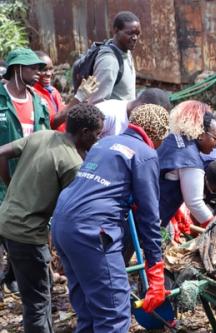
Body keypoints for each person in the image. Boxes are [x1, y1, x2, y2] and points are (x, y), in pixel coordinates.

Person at [51, 104, 169, 332]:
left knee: (88, 312)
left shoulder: (103, 143)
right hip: (92, 231)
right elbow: (150, 218)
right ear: (158, 135)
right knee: (114, 316)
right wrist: (156, 272)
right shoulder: (145, 154)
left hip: (63, 224)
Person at [0, 103, 104, 333]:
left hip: (6, 221)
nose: (98, 139)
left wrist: (11, 188)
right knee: (38, 302)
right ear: (85, 133)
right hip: (28, 234)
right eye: (97, 134)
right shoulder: (73, 165)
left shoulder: (43, 135)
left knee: (32, 295)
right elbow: (73, 211)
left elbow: (2, 153)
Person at [0, 47, 51, 294]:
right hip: (3, 179)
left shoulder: (39, 102)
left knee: (21, 233)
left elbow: (48, 137)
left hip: (30, 180)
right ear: (17, 69)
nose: (38, 73)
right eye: (33, 68)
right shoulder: (0, 100)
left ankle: (13, 275)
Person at [157, 100, 216, 229]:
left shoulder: (172, 137)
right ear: (200, 135)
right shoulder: (191, 160)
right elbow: (194, 202)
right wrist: (215, 226)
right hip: (152, 214)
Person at [33, 51, 98, 131]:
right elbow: (51, 123)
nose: (49, 73)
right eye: (44, 70)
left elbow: (65, 113)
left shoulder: (53, 91)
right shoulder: (34, 94)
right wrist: (78, 98)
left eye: (51, 69)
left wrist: (82, 101)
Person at [88, 11, 141, 104]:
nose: (135, 37)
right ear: (116, 30)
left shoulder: (126, 51)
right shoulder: (109, 61)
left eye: (137, 33)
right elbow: (97, 104)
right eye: (130, 33)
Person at [96, 87, 170, 138]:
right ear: (144, 107)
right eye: (156, 116)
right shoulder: (109, 112)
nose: (155, 122)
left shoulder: (141, 124)